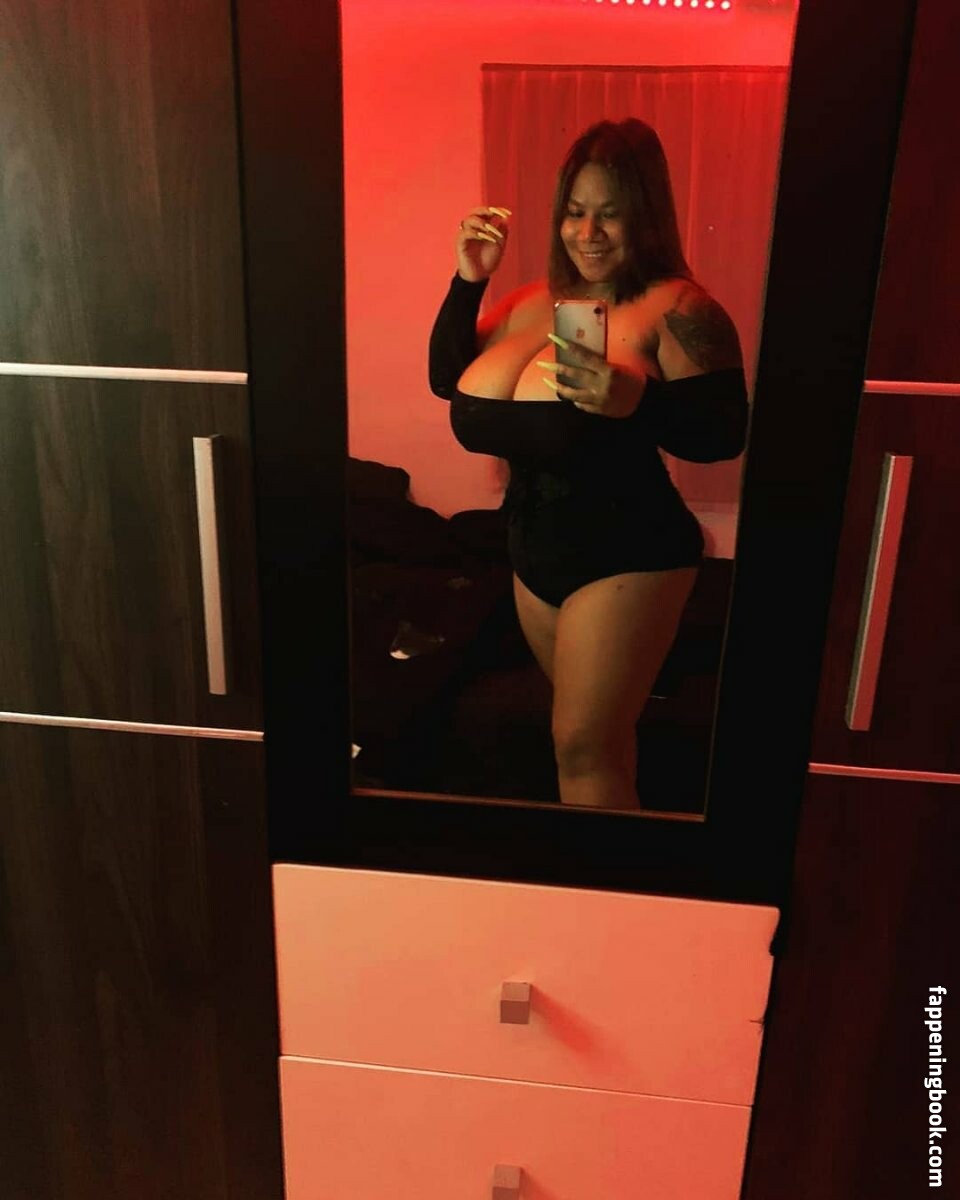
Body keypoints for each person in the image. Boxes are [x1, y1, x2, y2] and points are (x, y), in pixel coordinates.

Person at [428, 118, 747, 811]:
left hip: (629, 553)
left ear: (646, 216)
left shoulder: (682, 308)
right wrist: (468, 281)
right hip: (533, 552)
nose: (589, 233)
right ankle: (628, 857)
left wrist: (639, 402)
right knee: (592, 744)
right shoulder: (527, 302)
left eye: (611, 214)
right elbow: (447, 380)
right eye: (575, 213)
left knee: (583, 750)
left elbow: (724, 434)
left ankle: (612, 878)